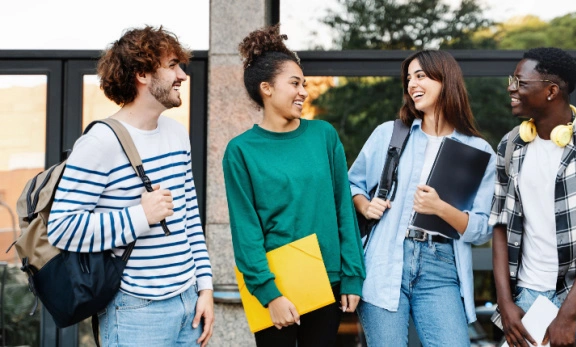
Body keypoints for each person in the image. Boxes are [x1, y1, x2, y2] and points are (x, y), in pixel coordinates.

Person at [47, 26, 214, 346]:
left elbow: (190, 217)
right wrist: (140, 215)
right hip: (136, 311)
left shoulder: (177, 134)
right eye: (173, 65)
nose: (183, 75)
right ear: (142, 73)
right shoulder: (100, 142)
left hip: (188, 304)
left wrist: (204, 288)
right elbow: (62, 228)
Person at [222, 24, 365, 347]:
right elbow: (246, 230)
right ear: (266, 88)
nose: (303, 91)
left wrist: (353, 275)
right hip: (275, 287)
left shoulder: (324, 136)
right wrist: (269, 293)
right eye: (295, 83)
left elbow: (343, 208)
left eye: (304, 84)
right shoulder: (241, 151)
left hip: (328, 283)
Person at [348, 50, 496, 347]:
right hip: (386, 260)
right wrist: (366, 205)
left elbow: (482, 228)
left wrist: (440, 208)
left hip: (441, 266)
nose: (412, 84)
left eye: (421, 76)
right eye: (408, 79)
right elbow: (351, 184)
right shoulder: (389, 134)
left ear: (446, 80)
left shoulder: (479, 151)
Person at [490, 47, 576, 347]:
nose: (511, 88)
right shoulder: (510, 146)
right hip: (527, 297)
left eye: (520, 82)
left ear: (551, 91)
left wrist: (566, 316)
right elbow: (500, 227)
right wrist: (505, 303)